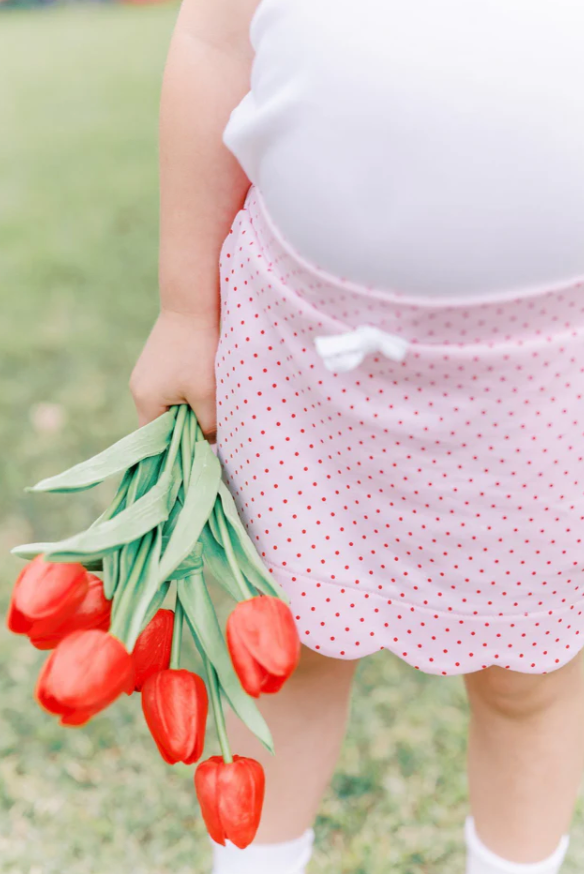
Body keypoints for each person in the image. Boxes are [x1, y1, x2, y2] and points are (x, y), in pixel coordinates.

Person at [130, 0, 584, 871]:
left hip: (546, 380)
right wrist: (188, 312)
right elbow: (213, 39)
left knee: (526, 678)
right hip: (306, 345)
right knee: (287, 646)